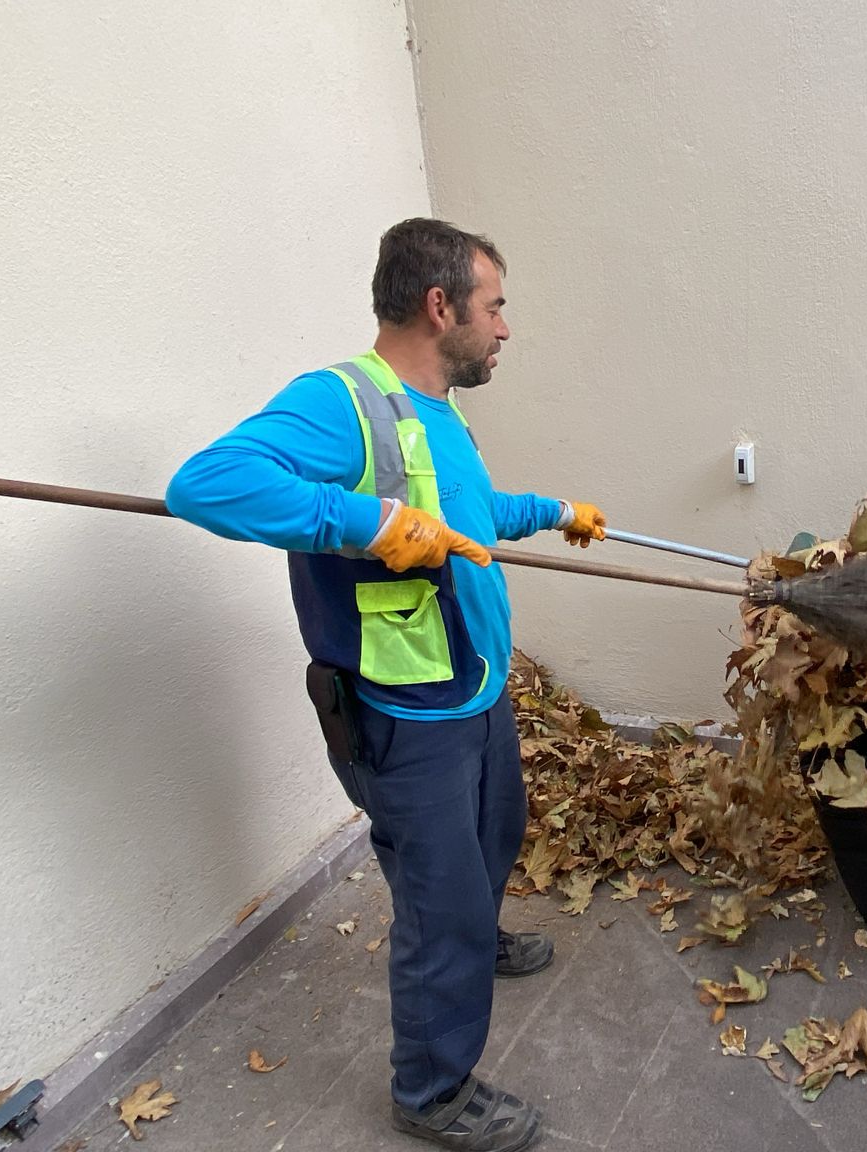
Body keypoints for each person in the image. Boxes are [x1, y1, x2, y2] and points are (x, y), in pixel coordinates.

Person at [166, 218, 601, 1151]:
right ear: (441, 306)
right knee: (440, 901)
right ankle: (431, 1090)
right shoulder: (340, 402)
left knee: (493, 840)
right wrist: (363, 523)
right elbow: (205, 483)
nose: (505, 328)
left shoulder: (438, 412)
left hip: (473, 687)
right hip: (405, 713)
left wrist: (557, 511)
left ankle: (476, 940)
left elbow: (466, 516)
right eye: (495, 307)